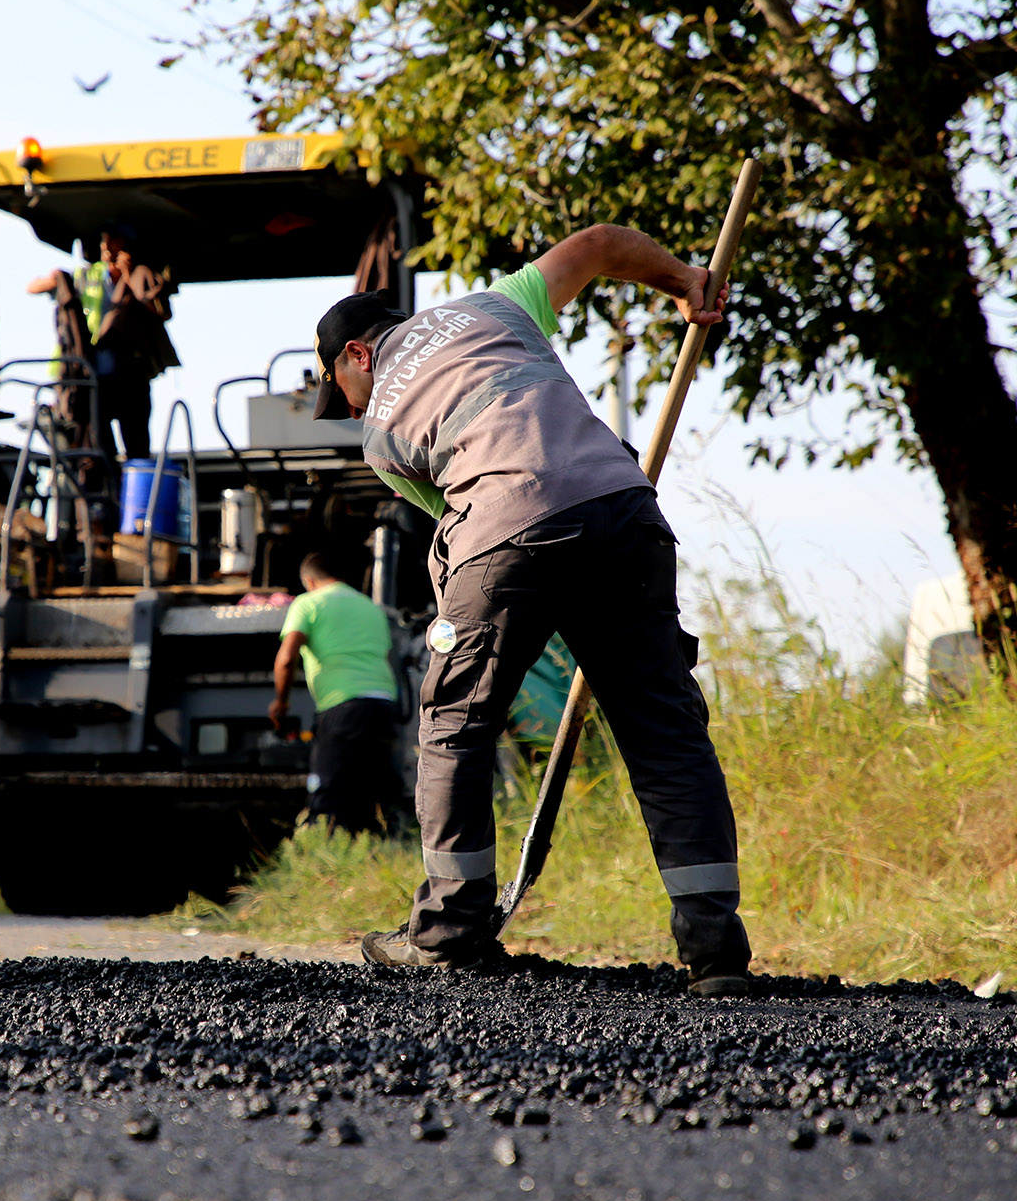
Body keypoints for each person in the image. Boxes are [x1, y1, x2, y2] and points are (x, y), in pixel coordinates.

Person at [307, 223, 750, 995]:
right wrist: (687, 280)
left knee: (453, 725)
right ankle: (716, 954)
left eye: (337, 393)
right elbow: (604, 243)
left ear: (357, 355)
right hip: (623, 511)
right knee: (665, 732)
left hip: (504, 531)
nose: (348, 408)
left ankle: (449, 933)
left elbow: (465, 544)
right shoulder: (496, 305)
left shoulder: (381, 432)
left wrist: (473, 645)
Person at [268, 552, 406, 834]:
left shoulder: (308, 602)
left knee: (328, 793)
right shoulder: (370, 606)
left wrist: (281, 702)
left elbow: (285, 658)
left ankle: (325, 859)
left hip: (343, 705)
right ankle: (376, 855)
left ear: (309, 580)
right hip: (382, 705)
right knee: (371, 792)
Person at [26, 222, 179, 461]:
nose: (107, 247)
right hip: (95, 379)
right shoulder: (88, 276)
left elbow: (159, 312)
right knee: (98, 445)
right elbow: (33, 287)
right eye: (104, 241)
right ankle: (107, 489)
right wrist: (57, 279)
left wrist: (128, 276)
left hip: (131, 378)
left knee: (136, 443)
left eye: (114, 241)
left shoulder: (141, 276)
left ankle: (134, 490)